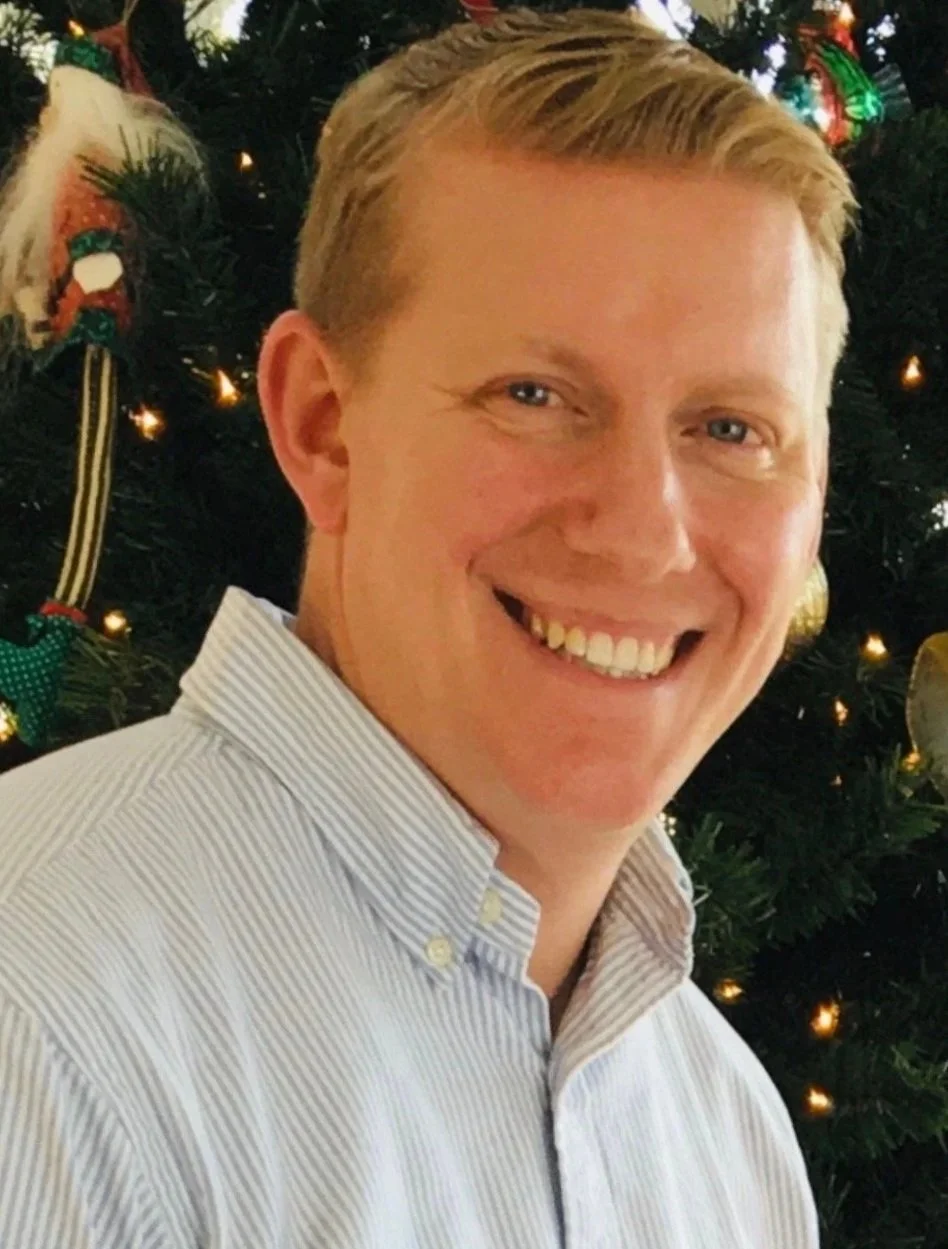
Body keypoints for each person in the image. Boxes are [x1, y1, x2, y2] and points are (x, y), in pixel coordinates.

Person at [0, 7, 856, 1247]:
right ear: (322, 424)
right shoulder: (37, 1010)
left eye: (732, 429)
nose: (643, 534)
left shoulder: (727, 1134)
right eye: (535, 395)